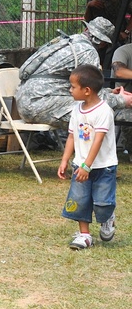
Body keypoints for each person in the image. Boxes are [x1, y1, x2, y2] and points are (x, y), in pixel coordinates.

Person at [15, 17, 132, 128]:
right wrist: (121, 100)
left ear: (86, 29)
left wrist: (110, 91)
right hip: (40, 105)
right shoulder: (87, 52)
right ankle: (89, 149)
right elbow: (92, 96)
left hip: (27, 101)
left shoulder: (66, 41)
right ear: (102, 42)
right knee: (98, 112)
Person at [57, 64, 118, 250]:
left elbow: (97, 142)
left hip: (103, 167)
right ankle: (84, 235)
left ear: (87, 90)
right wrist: (65, 160)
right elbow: (71, 136)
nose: (70, 90)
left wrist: (87, 166)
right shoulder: (77, 109)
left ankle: (108, 217)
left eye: (73, 87)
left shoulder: (103, 111)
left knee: (102, 203)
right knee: (80, 201)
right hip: (80, 166)